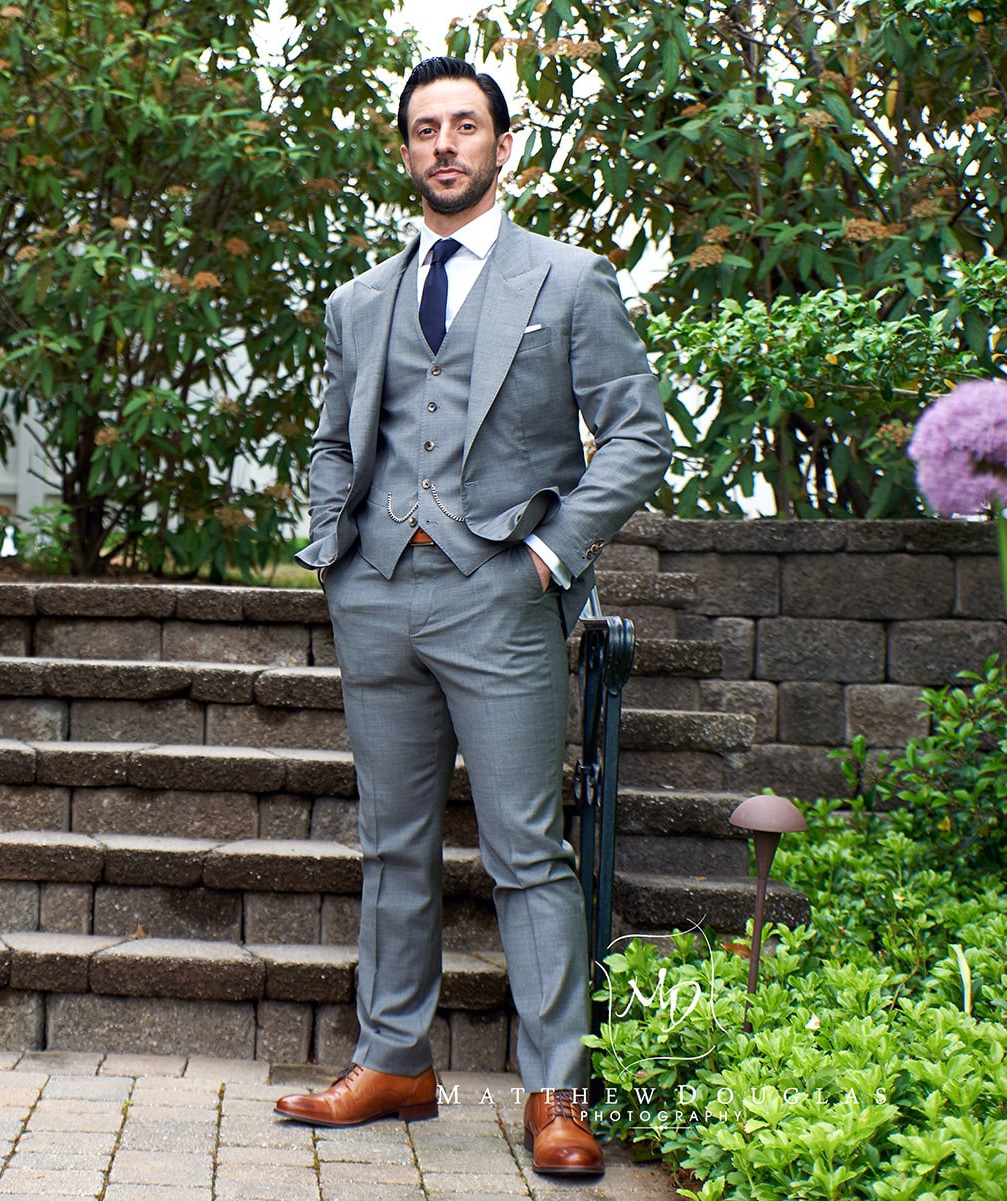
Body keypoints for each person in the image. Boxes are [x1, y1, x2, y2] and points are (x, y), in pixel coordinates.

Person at [271, 56, 672, 1177]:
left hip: (501, 593)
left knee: (527, 852)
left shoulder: (570, 280)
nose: (444, 144)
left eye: (464, 125)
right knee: (392, 844)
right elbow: (334, 443)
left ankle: (556, 1090)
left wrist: (549, 554)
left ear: (502, 143)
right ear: (405, 150)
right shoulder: (359, 301)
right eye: (424, 128)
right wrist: (334, 554)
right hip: (377, 593)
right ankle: (394, 1060)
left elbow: (639, 433)